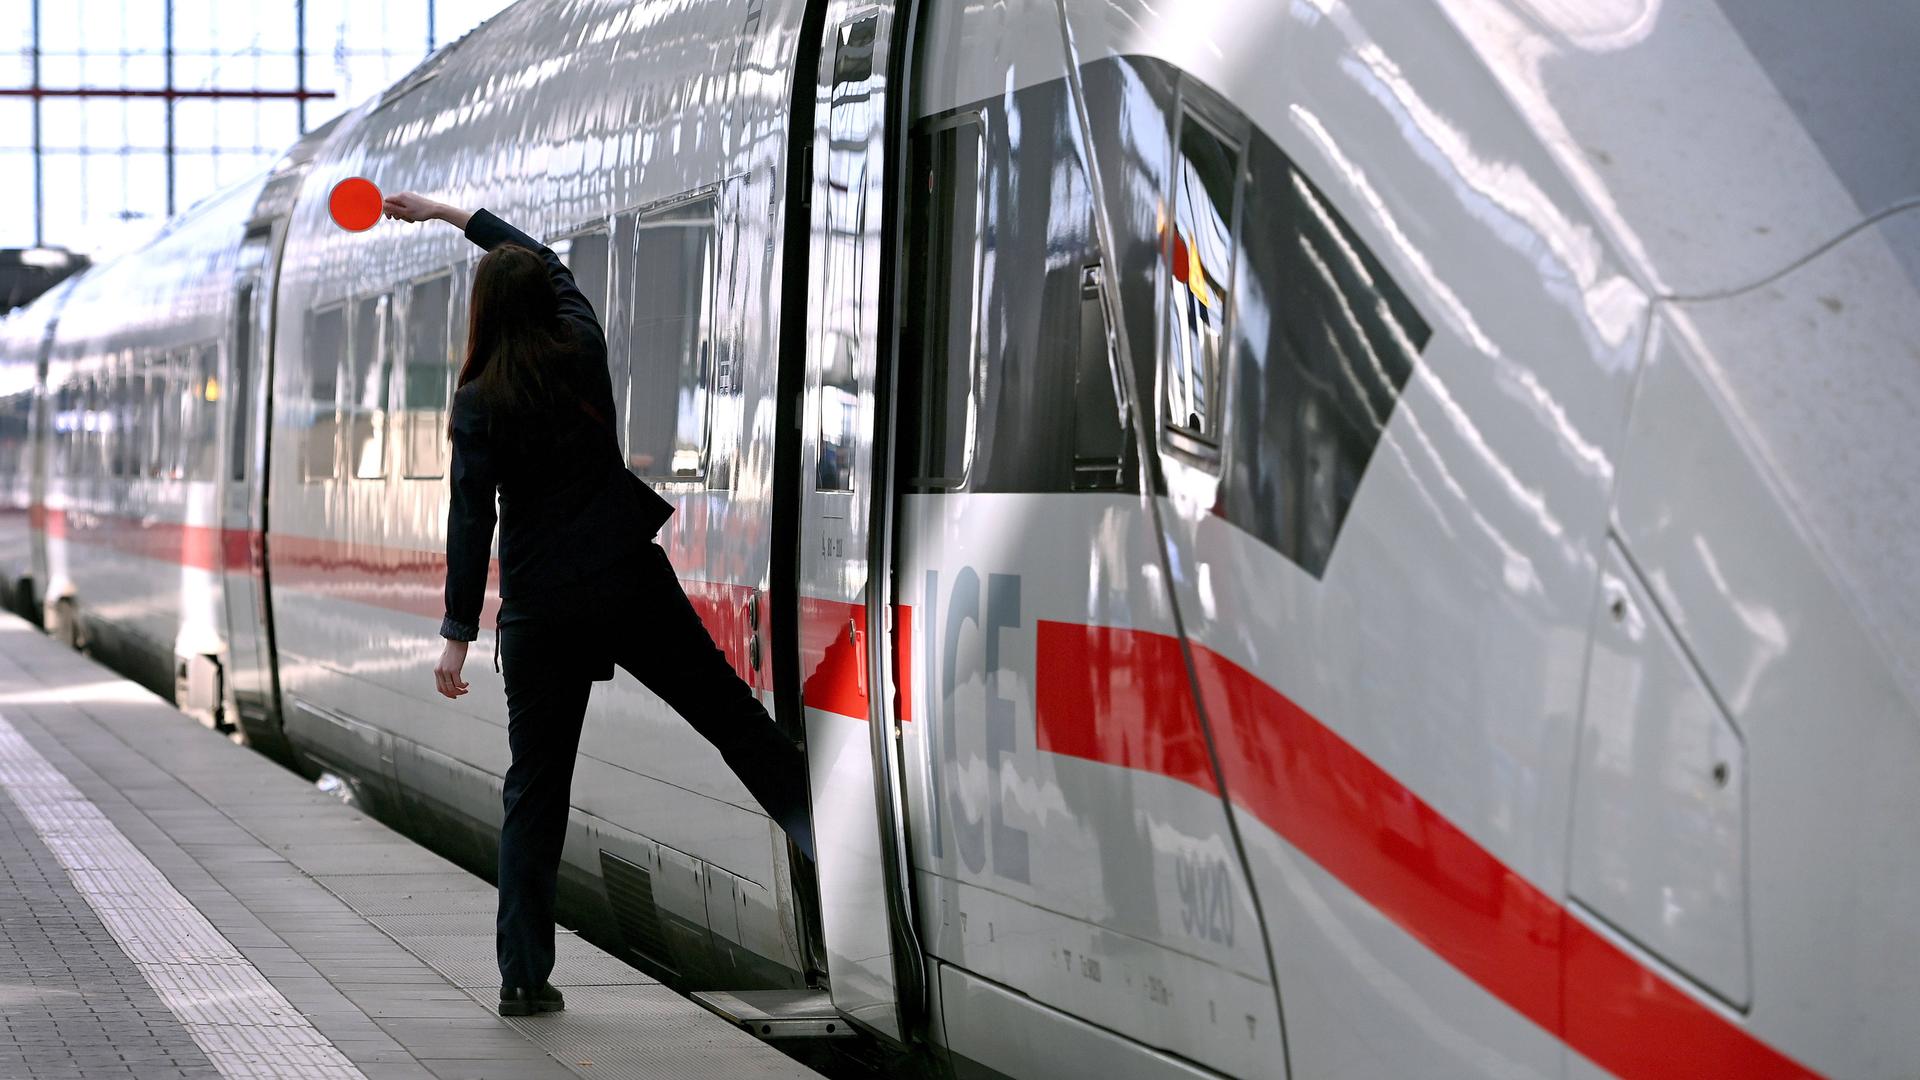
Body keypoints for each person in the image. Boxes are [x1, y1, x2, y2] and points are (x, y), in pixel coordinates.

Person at [379, 191, 813, 1018]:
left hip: (540, 606)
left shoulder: (476, 401)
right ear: (544, 302)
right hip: (623, 576)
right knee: (730, 717)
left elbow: (472, 518)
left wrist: (456, 635)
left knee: (534, 790)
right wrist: (447, 215)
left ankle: (521, 977)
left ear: (483, 317)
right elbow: (551, 262)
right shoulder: (581, 347)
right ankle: (825, 843)